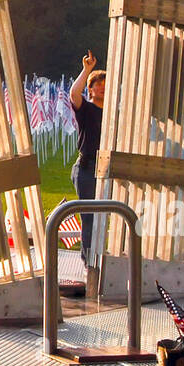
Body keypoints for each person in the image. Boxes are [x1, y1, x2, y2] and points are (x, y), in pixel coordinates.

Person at [68, 50, 106, 265]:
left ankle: (100, 259)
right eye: (96, 84)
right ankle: (89, 263)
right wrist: (87, 70)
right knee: (90, 219)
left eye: (104, 84)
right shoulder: (86, 109)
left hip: (107, 169)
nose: (101, 87)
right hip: (87, 169)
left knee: (104, 219)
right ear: (90, 89)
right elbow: (74, 94)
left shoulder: (113, 113)